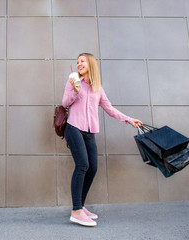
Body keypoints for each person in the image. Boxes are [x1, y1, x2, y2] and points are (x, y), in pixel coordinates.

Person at [62, 53, 142, 227]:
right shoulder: (73, 81)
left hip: (90, 131)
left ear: (91, 64)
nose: (79, 64)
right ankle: (76, 211)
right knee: (82, 165)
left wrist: (129, 119)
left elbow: (109, 108)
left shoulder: (97, 88)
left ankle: (81, 207)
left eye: (82, 61)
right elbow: (64, 103)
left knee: (93, 168)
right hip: (73, 127)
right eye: (77, 62)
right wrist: (75, 92)